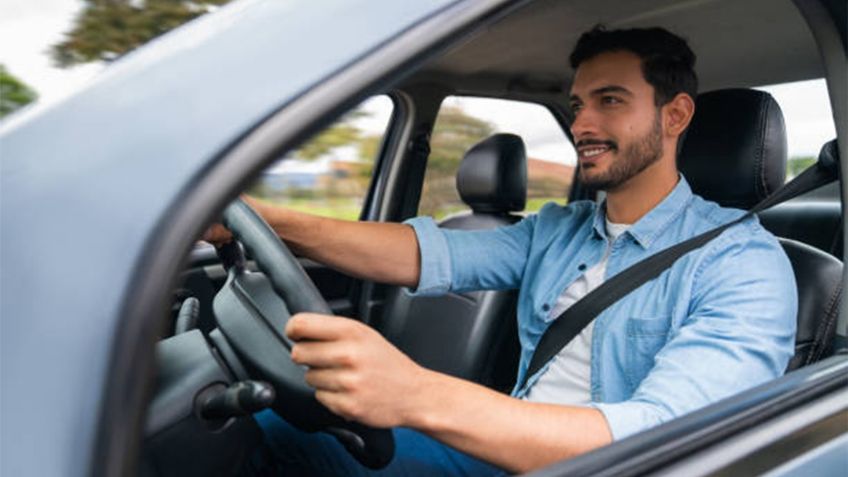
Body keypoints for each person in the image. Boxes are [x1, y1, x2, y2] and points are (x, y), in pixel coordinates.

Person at [208, 26, 797, 476]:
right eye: (577, 106)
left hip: (605, 468)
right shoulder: (559, 229)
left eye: (611, 100)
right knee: (254, 426)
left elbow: (665, 436)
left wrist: (414, 393)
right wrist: (264, 219)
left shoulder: (741, 263)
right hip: (501, 454)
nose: (582, 125)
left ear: (675, 115)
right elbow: (423, 254)